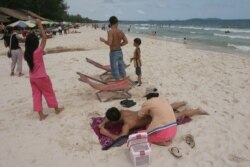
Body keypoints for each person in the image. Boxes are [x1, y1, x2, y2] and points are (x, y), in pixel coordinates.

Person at [99, 87, 208, 142]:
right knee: (167, 107)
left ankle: (196, 111)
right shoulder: (122, 111)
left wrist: (106, 132)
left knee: (179, 114)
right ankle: (182, 102)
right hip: (150, 113)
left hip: (154, 119)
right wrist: (102, 123)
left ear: (114, 120)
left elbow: (121, 138)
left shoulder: (126, 125)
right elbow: (110, 115)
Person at [24, 19, 64, 121]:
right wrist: (39, 24)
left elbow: (35, 54)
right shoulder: (37, 51)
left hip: (32, 77)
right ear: (35, 43)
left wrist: (42, 53)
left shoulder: (27, 53)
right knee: (49, 92)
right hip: (41, 76)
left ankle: (41, 116)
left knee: (36, 95)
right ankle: (56, 109)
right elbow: (44, 37)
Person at [100, 16, 128, 80]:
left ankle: (118, 82)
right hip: (120, 51)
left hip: (113, 52)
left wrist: (103, 40)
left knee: (114, 68)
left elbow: (109, 43)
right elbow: (126, 42)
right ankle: (124, 78)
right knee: (121, 66)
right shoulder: (120, 32)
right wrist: (119, 44)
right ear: (117, 22)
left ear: (110, 23)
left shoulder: (110, 32)